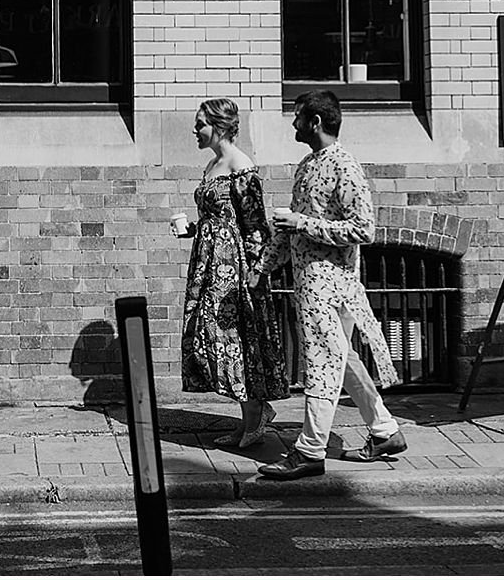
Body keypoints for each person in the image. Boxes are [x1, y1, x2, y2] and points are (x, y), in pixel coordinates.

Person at [257, 90, 405, 480]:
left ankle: (309, 451)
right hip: (310, 281)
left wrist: (302, 223)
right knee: (342, 359)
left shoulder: (345, 167)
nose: (293, 124)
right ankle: (385, 430)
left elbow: (363, 229)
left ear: (316, 122)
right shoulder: (307, 166)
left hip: (332, 285)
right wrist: (263, 268)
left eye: (298, 117)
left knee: (322, 363)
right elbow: (290, 230)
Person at [173, 98, 289, 448]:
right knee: (210, 339)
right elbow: (219, 217)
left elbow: (255, 226)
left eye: (200, 124)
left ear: (219, 126)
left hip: (233, 269)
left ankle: (254, 419)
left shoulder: (241, 166)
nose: (195, 130)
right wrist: (194, 229)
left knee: (234, 338)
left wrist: (257, 271)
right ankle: (254, 413)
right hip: (208, 263)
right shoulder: (213, 164)